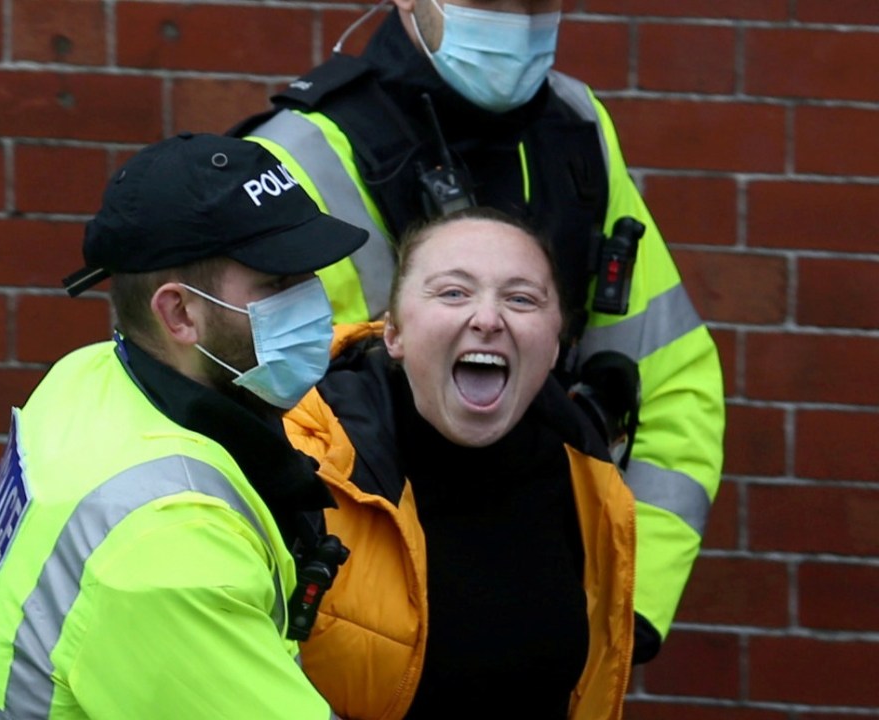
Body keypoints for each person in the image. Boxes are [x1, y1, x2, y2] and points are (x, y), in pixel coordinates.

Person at [228, 0, 725, 663]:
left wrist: (630, 604)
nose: (518, 21)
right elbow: (248, 428)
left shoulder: (576, 127)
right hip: (356, 642)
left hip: (547, 612)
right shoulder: (296, 158)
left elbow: (668, 375)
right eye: (492, 3)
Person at [0, 132, 369, 720]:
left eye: (309, 275)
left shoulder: (85, 376)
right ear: (179, 312)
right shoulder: (170, 548)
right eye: (277, 284)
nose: (314, 302)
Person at [283, 206, 636, 719]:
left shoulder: (590, 477)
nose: (488, 319)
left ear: (556, 341)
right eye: (453, 292)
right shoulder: (299, 462)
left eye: (521, 298)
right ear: (394, 333)